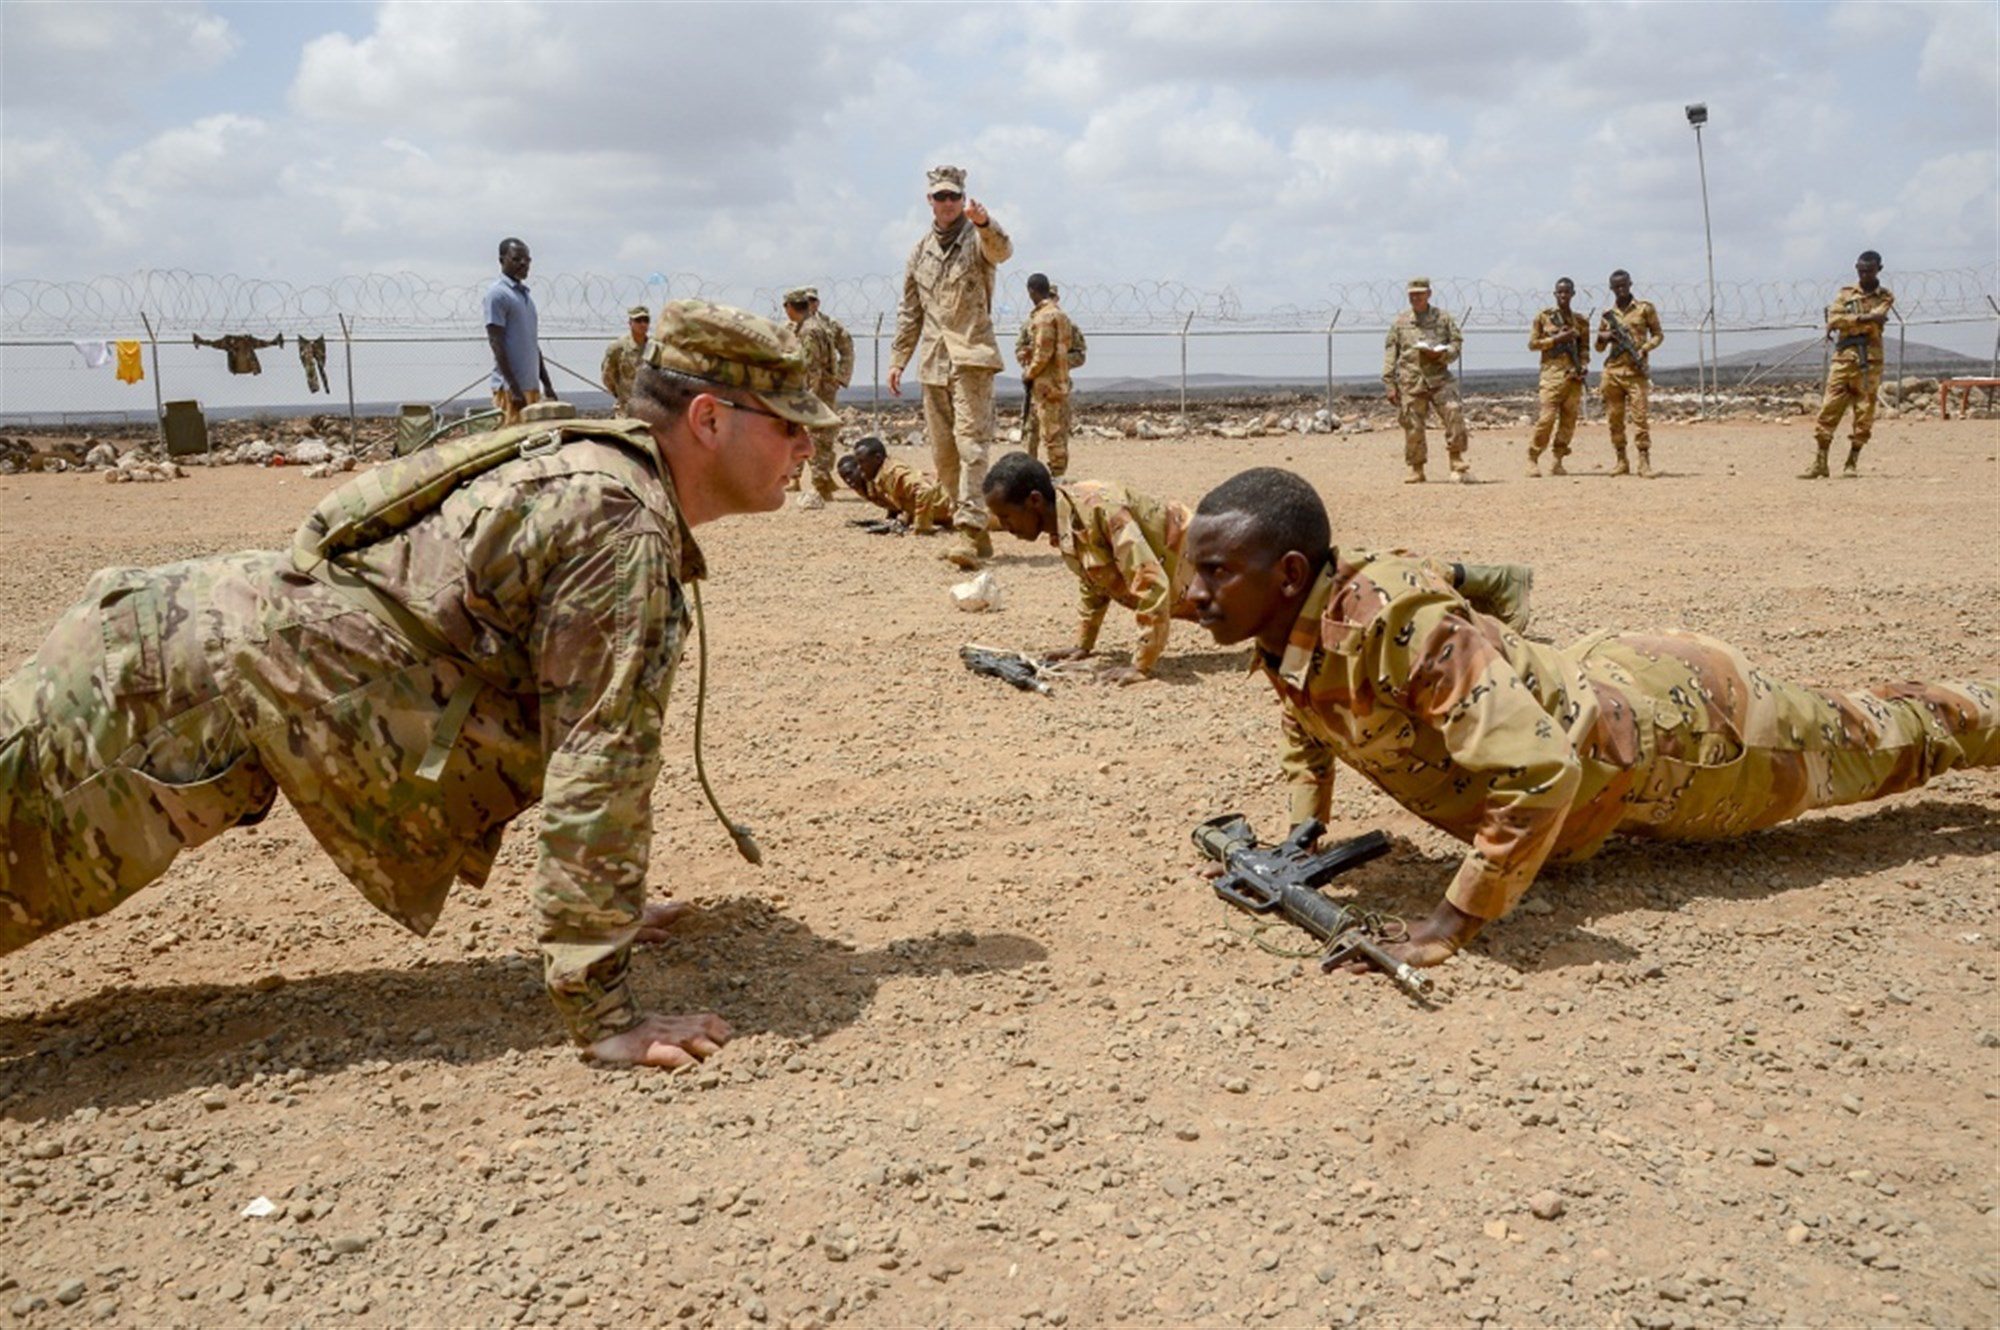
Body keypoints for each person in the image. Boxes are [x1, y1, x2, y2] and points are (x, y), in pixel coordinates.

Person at [0, 300, 837, 1069]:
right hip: (163, 701)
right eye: (791, 427)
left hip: (180, 668)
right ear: (709, 418)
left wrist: (607, 915)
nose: (806, 447)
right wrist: (604, 1008)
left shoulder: (605, 477)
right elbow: (600, 763)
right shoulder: (621, 529)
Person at [1181, 466, 1998, 970]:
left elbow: (1539, 771)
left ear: (1290, 573)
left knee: (1885, 737)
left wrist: (1448, 922)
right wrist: (1303, 829)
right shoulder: (1287, 633)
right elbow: (1308, 721)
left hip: (1692, 737)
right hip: (1609, 694)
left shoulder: (1397, 626)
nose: (1194, 595)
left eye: (1216, 572)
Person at [984, 452, 1537, 685]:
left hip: (1226, 561)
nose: (1004, 530)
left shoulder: (1099, 505)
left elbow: (1146, 580)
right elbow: (1098, 584)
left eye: (1006, 517)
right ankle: (1480, 580)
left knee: (1351, 583)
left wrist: (1142, 665)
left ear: (1034, 501)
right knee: (1343, 585)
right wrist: (1083, 646)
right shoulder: (1063, 523)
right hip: (1202, 580)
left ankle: (1485, 578)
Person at [888, 164, 1013, 569]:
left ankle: (969, 530)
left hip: (971, 355)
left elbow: (1003, 251)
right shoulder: (919, 252)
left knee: (971, 445)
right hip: (933, 362)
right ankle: (976, 528)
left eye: (953, 197)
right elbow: (910, 311)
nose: (946, 203)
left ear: (963, 199)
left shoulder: (977, 240)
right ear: (930, 200)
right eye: (940, 197)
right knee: (944, 456)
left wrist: (985, 222)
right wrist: (897, 360)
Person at [1804, 251, 1895, 480]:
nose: (1864, 274)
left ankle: (1851, 462)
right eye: (1860, 270)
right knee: (1829, 409)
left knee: (1864, 412)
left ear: (1879, 269)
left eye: (1869, 270)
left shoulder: (1884, 296)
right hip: (1843, 358)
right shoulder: (1845, 294)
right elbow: (1834, 320)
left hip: (1869, 361)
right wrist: (1865, 319)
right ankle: (1820, 463)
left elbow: (1877, 316)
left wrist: (1851, 320)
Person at [1381, 278, 1471, 484]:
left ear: (1429, 294)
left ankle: (1456, 458)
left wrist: (1441, 355)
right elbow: (1390, 355)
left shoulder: (1443, 319)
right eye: (1412, 294)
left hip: (1439, 378)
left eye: (1420, 294)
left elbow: (1456, 343)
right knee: (1413, 426)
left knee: (1454, 411)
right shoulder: (1400, 323)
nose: (1416, 298)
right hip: (1411, 381)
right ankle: (1417, 468)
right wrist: (1389, 384)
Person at [1594, 270, 1664, 478]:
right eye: (1616, 287)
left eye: (1624, 285)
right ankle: (1621, 460)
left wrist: (1644, 349)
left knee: (1640, 417)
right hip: (1613, 372)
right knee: (1615, 418)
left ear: (1630, 284)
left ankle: (1644, 462)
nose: (1621, 290)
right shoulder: (1608, 315)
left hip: (1635, 372)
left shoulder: (1644, 309)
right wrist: (1604, 337)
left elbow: (1659, 335)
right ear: (1611, 288)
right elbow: (1598, 347)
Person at [1015, 273, 1079, 477]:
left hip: (1045, 385)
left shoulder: (1044, 317)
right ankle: (1047, 474)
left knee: (1052, 435)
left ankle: (1056, 479)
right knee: (1044, 433)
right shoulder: (1060, 316)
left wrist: (1029, 373)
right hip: (1056, 383)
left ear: (1031, 291)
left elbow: (1044, 354)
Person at [782, 287, 842, 503]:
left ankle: (821, 484)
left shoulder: (809, 330)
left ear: (790, 307)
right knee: (820, 437)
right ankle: (821, 482)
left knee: (816, 437)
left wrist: (810, 397)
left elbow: (812, 367)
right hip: (823, 388)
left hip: (817, 390)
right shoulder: (813, 327)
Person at [1525, 279, 1590, 477]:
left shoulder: (1580, 321)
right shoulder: (1544, 317)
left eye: (1567, 292)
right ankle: (1533, 457)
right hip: (1551, 375)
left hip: (1573, 376)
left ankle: (1558, 460)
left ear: (1572, 294)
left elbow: (1584, 348)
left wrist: (1584, 366)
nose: (1563, 296)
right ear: (1555, 294)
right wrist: (1556, 340)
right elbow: (1533, 344)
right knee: (1547, 418)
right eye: (1560, 292)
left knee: (1568, 421)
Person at [851, 436, 955, 533]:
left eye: (862, 462)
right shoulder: (882, 476)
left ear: (878, 458)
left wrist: (922, 527)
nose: (859, 468)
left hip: (951, 507)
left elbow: (924, 490)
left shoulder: (893, 473)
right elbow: (908, 500)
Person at [600, 304, 650, 415]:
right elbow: (607, 376)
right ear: (630, 323)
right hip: (626, 410)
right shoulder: (618, 348)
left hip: (649, 410)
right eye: (638, 320)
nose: (643, 324)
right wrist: (619, 394)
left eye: (646, 320)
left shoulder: (654, 348)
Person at [807, 289, 856, 400]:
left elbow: (847, 349)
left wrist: (840, 376)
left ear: (818, 303)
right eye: (805, 301)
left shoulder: (830, 324)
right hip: (799, 384)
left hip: (825, 384)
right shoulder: (790, 327)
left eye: (813, 300)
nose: (810, 304)